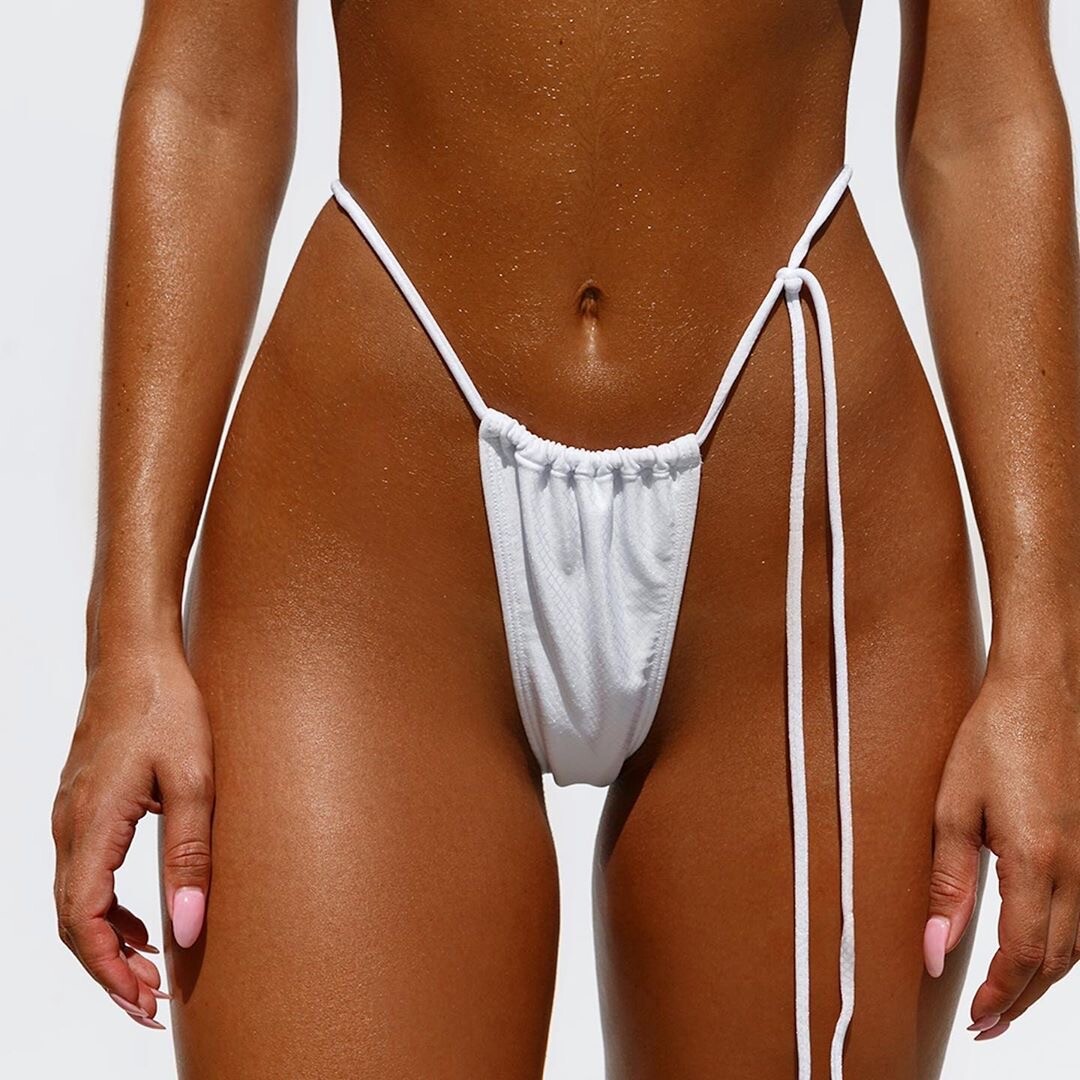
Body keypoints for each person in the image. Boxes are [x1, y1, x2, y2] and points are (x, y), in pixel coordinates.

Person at [51, 1, 1080, 1077]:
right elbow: (208, 94)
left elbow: (988, 115)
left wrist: (1044, 665)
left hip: (803, 560)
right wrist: (127, 639)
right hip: (365, 558)